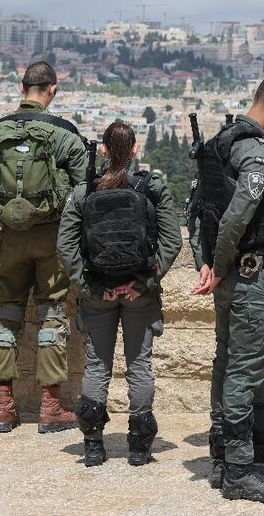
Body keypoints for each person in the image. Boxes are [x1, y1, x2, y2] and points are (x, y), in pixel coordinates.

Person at [189, 75, 264, 502]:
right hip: (251, 278)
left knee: (229, 363)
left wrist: (209, 262)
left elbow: (199, 208)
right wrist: (218, 266)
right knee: (243, 370)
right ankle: (239, 470)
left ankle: (223, 457)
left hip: (232, 275)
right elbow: (237, 215)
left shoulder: (224, 142)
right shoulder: (256, 151)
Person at [57, 121, 182, 467]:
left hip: (98, 293)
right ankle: (139, 447)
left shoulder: (84, 193)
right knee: (139, 365)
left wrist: (90, 286)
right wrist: (143, 284)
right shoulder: (151, 187)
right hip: (139, 292)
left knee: (97, 366)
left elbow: (65, 246)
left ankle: (94, 445)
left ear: (103, 150)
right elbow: (173, 241)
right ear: (135, 150)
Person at [0, 61, 87, 434]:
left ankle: (4, 405)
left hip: (9, 238)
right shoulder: (63, 134)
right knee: (52, 315)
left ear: (21, 88)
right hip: (51, 236)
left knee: (7, 315)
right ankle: (50, 406)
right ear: (52, 90)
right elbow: (86, 185)